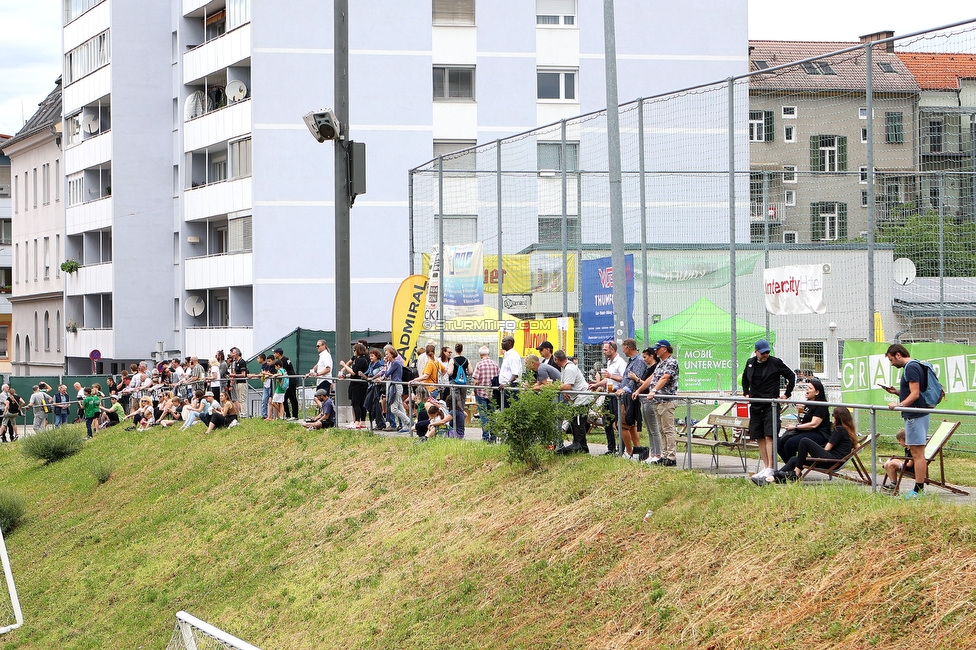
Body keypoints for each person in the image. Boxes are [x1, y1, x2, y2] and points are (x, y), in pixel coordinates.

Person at [756, 406, 857, 485]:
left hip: (831, 461)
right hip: (834, 461)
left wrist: (816, 448)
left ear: (838, 418)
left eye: (833, 415)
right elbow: (857, 445)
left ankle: (796, 472)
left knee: (805, 441)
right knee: (794, 459)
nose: (832, 417)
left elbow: (827, 448)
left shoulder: (839, 430)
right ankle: (772, 478)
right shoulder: (849, 431)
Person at [741, 338, 795, 479]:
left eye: (767, 352)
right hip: (756, 404)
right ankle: (765, 466)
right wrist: (746, 393)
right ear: (756, 352)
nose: (765, 355)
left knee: (769, 435)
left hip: (770, 404)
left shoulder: (775, 362)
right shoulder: (750, 363)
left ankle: (771, 467)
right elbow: (745, 378)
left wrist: (786, 394)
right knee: (759, 436)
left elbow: (791, 376)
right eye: (763, 353)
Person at [882, 343, 930, 498]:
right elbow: (912, 392)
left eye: (891, 360)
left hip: (915, 416)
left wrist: (899, 405)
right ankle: (918, 488)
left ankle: (918, 489)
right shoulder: (913, 366)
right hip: (916, 414)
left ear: (898, 354)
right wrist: (897, 392)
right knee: (917, 453)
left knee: (917, 453)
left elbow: (915, 394)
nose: (891, 363)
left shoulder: (910, 367)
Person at [645, 340, 680, 466]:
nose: (656, 351)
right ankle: (664, 456)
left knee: (668, 429)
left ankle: (671, 457)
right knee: (661, 430)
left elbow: (665, 378)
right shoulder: (660, 364)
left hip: (667, 401)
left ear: (665, 349)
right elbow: (652, 378)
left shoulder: (672, 362)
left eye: (658, 348)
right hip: (657, 401)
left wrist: (654, 390)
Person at [779, 378, 830, 463]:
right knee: (779, 442)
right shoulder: (808, 403)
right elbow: (801, 420)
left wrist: (795, 427)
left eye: (810, 388)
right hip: (805, 431)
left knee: (790, 443)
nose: (807, 390)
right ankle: (790, 466)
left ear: (817, 392)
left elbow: (814, 424)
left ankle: (794, 468)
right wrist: (800, 411)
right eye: (807, 387)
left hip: (818, 433)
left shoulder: (821, 405)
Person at [589, 340, 627, 456]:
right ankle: (611, 448)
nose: (604, 352)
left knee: (619, 422)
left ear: (612, 349)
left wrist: (610, 376)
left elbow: (624, 379)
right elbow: (608, 379)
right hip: (608, 394)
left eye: (605, 349)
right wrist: (597, 384)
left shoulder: (620, 362)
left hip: (617, 396)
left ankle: (621, 448)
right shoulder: (610, 362)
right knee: (607, 421)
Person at [553, 349, 594, 454]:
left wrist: (555, 387)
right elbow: (564, 383)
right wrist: (563, 391)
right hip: (576, 398)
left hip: (582, 398)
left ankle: (579, 445)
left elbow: (567, 385)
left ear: (556, 359)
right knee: (574, 422)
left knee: (578, 423)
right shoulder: (565, 367)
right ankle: (582, 446)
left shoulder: (569, 368)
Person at [615, 338, 649, 461]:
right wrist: (616, 388)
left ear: (628, 348)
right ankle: (638, 450)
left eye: (623, 348)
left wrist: (624, 390)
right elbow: (625, 379)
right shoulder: (630, 361)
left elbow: (635, 381)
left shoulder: (639, 361)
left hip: (631, 397)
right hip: (626, 396)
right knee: (631, 425)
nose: (623, 351)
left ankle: (629, 452)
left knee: (622, 425)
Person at [375, 344, 410, 432]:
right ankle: (405, 425)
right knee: (400, 406)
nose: (386, 356)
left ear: (392, 354)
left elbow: (387, 374)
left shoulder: (395, 363)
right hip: (395, 385)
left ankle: (408, 421)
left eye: (387, 354)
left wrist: (386, 364)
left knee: (394, 409)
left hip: (396, 386)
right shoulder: (393, 363)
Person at [471, 345, 500, 442]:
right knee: (492, 415)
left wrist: (473, 390)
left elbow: (475, 380)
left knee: (484, 416)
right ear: (489, 354)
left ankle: (485, 437)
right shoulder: (495, 364)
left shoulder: (479, 365)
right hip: (492, 394)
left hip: (481, 393)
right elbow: (499, 377)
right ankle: (493, 437)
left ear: (480, 354)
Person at [339, 342, 370, 428]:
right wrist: (346, 375)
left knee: (356, 403)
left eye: (354, 350)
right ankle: (362, 422)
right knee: (361, 404)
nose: (353, 352)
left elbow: (353, 371)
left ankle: (357, 421)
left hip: (358, 385)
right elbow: (354, 374)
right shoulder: (359, 359)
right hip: (359, 383)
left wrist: (344, 365)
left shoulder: (361, 360)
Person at [882, 429, 912, 495]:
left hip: (911, 468)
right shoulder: (907, 448)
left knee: (891, 464)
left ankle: (894, 484)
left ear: (904, 440)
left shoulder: (912, 449)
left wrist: (898, 463)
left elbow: (910, 464)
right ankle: (893, 483)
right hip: (907, 466)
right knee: (889, 463)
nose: (899, 443)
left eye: (900, 441)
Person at [272, 348, 300, 419]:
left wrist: (274, 375)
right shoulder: (283, 360)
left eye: (275, 353)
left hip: (290, 381)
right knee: (284, 399)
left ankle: (294, 415)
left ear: (278, 353)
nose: (274, 354)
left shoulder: (283, 361)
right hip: (286, 382)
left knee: (292, 398)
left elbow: (280, 373)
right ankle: (287, 415)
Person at [498, 335, 523, 408]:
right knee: (505, 410)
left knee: (511, 410)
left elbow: (515, 374)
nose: (502, 343)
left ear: (509, 343)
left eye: (504, 341)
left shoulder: (513, 356)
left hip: (511, 387)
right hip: (506, 387)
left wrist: (507, 384)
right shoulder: (507, 355)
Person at [228, 347, 249, 418]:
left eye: (233, 353)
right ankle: (241, 413)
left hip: (242, 382)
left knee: (242, 399)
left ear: (237, 353)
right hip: (237, 382)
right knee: (239, 399)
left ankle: (244, 413)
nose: (232, 355)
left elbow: (243, 374)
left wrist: (234, 375)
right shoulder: (235, 362)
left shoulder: (242, 362)